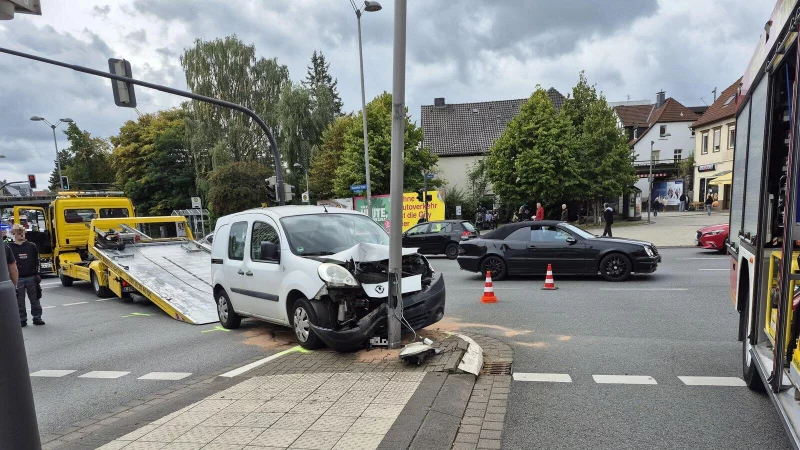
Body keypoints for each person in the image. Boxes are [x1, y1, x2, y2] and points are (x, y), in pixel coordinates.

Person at [9, 224, 43, 326]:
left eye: (22, 233)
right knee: (19, 301)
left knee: (35, 299)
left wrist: (37, 274)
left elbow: (37, 261)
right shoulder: (10, 247)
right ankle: (22, 319)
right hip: (18, 278)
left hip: (31, 277)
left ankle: (37, 318)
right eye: (18, 233)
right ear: (13, 234)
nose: (21, 235)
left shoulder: (31, 246)